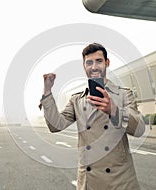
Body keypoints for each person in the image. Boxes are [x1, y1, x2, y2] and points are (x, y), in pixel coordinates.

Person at [40, 43, 145, 190]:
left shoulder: (123, 94)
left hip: (121, 182)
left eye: (99, 61)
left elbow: (139, 129)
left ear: (107, 63)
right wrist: (47, 92)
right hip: (89, 182)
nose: (94, 67)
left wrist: (113, 110)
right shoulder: (76, 100)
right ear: (84, 66)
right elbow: (55, 125)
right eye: (89, 62)